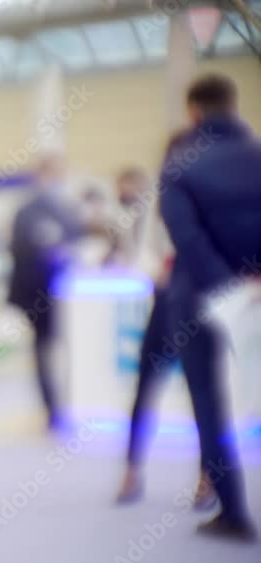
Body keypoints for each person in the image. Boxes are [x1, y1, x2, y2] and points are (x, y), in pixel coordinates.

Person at [159, 74, 259, 542]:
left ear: (194, 112)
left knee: (209, 403)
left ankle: (234, 513)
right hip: (257, 291)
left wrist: (227, 288)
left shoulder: (181, 165)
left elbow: (187, 238)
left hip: (198, 296)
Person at [113, 159, 217, 510]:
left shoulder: (208, 198)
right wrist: (158, 272)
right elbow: (144, 252)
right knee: (146, 388)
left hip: (198, 304)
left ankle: (207, 478)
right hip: (165, 302)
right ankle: (132, 470)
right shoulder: (157, 201)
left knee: (202, 395)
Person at [7, 155, 84, 430]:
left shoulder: (66, 209)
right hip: (38, 295)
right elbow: (22, 250)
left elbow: (77, 242)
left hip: (67, 293)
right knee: (44, 349)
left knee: (64, 349)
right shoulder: (29, 212)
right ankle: (52, 407)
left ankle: (69, 402)